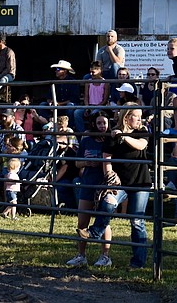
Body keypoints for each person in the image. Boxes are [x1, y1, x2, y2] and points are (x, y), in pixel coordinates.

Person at [77, 104, 151, 270]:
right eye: (136, 116)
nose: (140, 119)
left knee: (137, 221)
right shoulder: (112, 136)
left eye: (141, 116)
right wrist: (110, 177)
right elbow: (107, 159)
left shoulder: (142, 131)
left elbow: (141, 145)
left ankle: (137, 262)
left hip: (140, 182)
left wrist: (123, 137)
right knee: (108, 201)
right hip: (120, 183)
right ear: (126, 117)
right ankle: (95, 232)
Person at [67, 113, 113, 268]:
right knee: (82, 221)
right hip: (87, 183)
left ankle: (105, 255)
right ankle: (81, 255)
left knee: (103, 221)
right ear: (93, 124)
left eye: (104, 123)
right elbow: (77, 163)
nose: (102, 126)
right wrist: (86, 162)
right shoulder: (86, 141)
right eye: (99, 123)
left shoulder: (111, 141)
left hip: (103, 184)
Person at [74, 61, 109, 134]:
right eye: (91, 72)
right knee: (77, 113)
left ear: (99, 70)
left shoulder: (105, 83)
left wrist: (97, 106)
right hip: (89, 105)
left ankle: (91, 132)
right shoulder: (88, 82)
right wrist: (87, 107)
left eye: (93, 72)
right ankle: (82, 133)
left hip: (100, 106)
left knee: (94, 113)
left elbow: (105, 99)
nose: (91, 74)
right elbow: (86, 96)